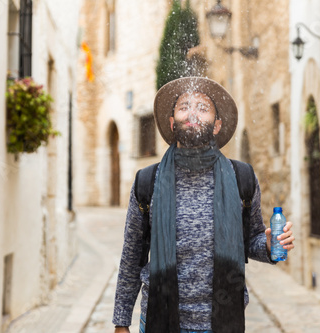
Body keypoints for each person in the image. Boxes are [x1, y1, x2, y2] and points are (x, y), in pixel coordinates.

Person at [113, 77, 295, 333]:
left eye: (203, 108)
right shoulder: (147, 181)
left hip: (223, 322)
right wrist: (121, 322)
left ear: (217, 125)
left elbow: (252, 239)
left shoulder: (241, 177)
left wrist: (266, 245)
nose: (193, 113)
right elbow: (131, 256)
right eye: (184, 106)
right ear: (172, 121)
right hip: (158, 321)